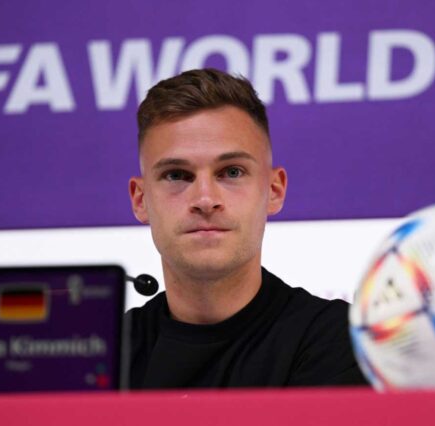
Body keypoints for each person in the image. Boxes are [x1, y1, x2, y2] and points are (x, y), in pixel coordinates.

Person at [127, 68, 367, 388]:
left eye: (232, 172)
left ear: (274, 190)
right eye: (176, 175)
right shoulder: (102, 356)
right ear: (140, 200)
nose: (205, 199)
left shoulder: (341, 340)